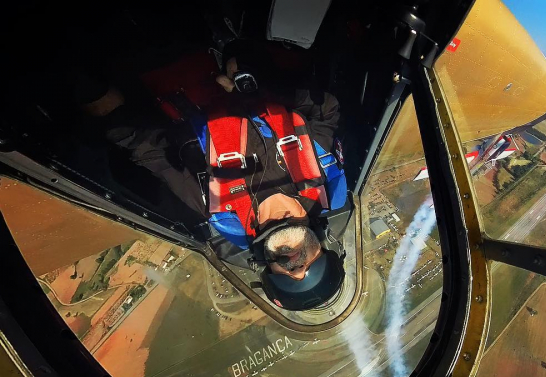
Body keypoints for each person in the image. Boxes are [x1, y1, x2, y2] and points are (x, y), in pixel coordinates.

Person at [80, 49, 347, 307]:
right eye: (313, 269)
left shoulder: (213, 209)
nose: (298, 270)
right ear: (323, 248)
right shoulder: (321, 177)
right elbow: (326, 110)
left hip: (166, 62)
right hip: (243, 48)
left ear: (267, 265)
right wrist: (255, 85)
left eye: (288, 279)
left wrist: (93, 95)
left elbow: (148, 148)